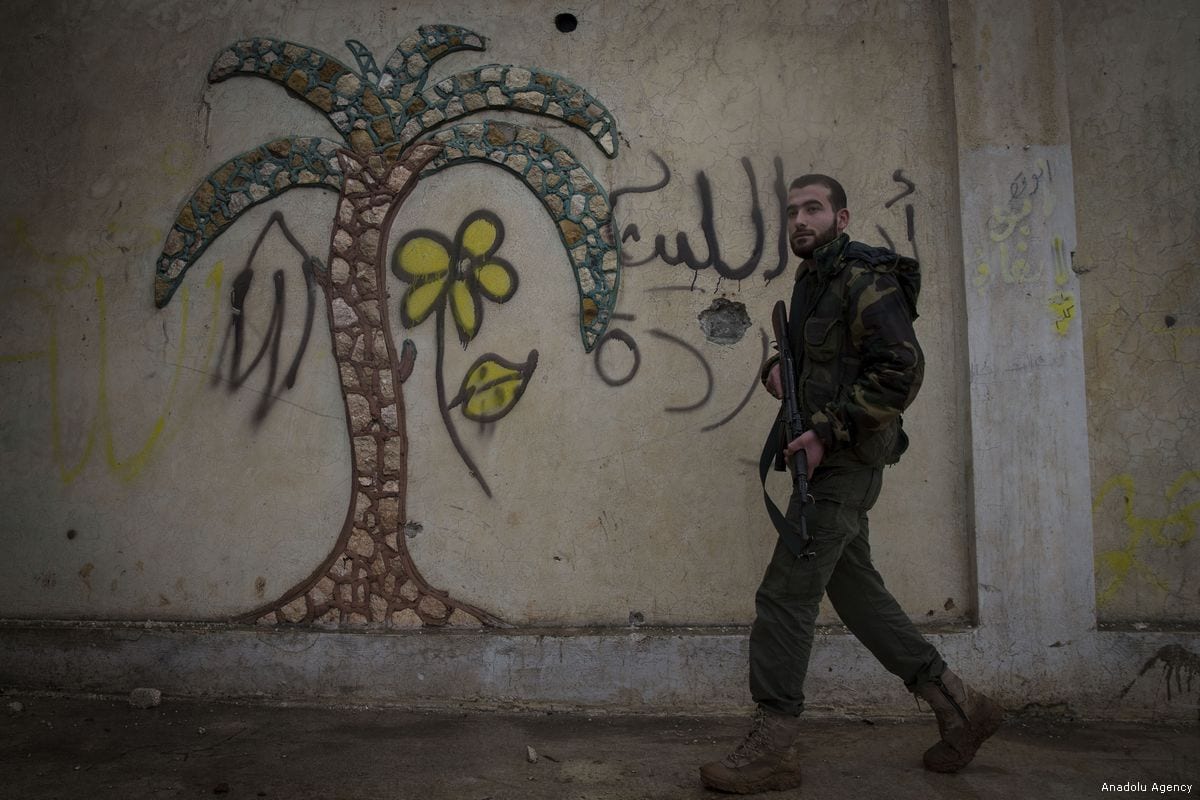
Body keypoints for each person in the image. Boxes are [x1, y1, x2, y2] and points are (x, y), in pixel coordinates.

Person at [698, 175, 1002, 794]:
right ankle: (959, 705)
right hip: (825, 460)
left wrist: (828, 432)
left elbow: (900, 371)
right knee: (858, 592)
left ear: (842, 217)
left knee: (785, 595)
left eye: (813, 209)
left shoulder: (865, 278)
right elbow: (831, 359)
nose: (800, 221)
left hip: (842, 463)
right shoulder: (814, 279)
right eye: (792, 212)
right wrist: (781, 373)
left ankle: (774, 746)